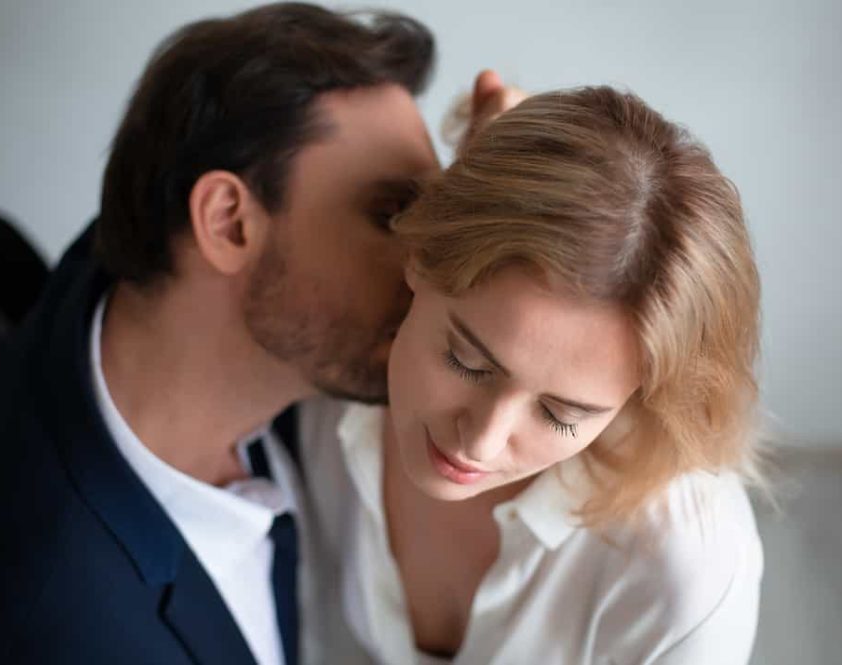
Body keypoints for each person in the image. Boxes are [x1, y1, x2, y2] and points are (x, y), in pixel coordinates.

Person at [0, 4, 517, 664]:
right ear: (228, 223)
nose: (433, 272)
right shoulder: (62, 622)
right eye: (392, 214)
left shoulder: (149, 277)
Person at [296, 86, 765, 664]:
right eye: (467, 361)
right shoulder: (319, 391)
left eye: (562, 414)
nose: (481, 441)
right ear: (418, 257)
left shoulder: (681, 572)